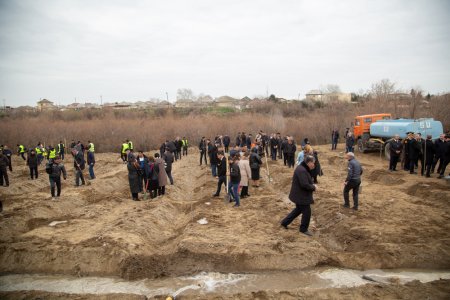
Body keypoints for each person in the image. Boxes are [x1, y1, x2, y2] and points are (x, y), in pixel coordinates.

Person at [281, 155, 317, 236]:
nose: (314, 165)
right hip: (301, 196)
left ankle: (284, 222)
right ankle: (303, 229)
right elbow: (304, 184)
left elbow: (306, 181)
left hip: (299, 194)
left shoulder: (302, 168)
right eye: (313, 163)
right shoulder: (302, 170)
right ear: (309, 162)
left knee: (298, 210)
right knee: (307, 212)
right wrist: (313, 187)